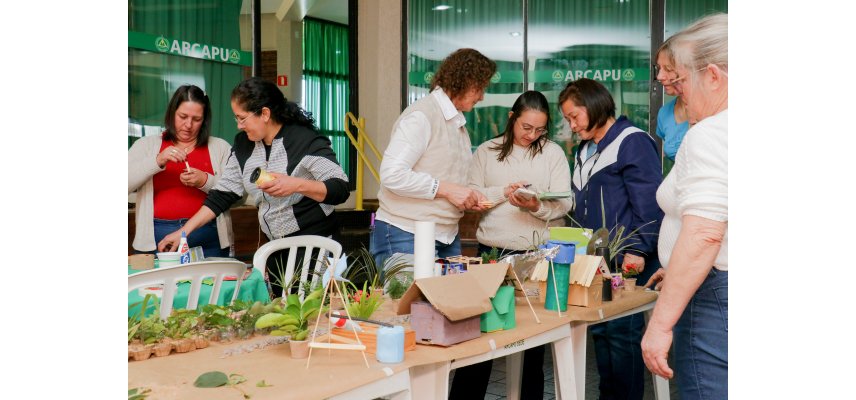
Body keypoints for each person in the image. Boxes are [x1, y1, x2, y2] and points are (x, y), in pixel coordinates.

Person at [159, 77, 350, 295]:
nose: (239, 125)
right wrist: (183, 233)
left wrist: (297, 184)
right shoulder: (243, 145)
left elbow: (340, 187)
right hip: (276, 247)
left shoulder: (305, 141)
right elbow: (222, 194)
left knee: (314, 315)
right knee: (283, 314)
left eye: (242, 118)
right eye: (236, 118)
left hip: (315, 246)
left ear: (265, 114)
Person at [455, 90, 573, 399]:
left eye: (540, 130)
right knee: (480, 338)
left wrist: (536, 206)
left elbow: (565, 202)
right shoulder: (486, 151)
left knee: (533, 342)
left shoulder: (552, 153)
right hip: (493, 254)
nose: (532, 135)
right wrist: (501, 193)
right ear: (512, 119)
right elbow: (470, 197)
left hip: (537, 257)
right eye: (526, 128)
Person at [641, 13, 728, 400]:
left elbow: (706, 232)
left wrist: (660, 326)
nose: (677, 91)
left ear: (713, 76)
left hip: (715, 296)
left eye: (682, 79)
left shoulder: (710, 132)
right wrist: (677, 270)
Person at [559, 78, 663, 400]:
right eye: (568, 120)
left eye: (574, 116)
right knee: (601, 333)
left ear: (593, 106)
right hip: (595, 261)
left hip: (626, 259)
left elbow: (649, 202)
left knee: (622, 335)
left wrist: (638, 249)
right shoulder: (584, 149)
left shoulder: (631, 142)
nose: (572, 126)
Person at [370, 48, 495, 269]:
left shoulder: (457, 124)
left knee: (448, 302)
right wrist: (448, 190)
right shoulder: (422, 116)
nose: (482, 96)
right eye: (480, 88)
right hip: (405, 232)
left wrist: (466, 196)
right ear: (465, 81)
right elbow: (392, 175)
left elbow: (446, 178)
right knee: (407, 303)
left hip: (447, 235)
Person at [128, 85, 234, 258]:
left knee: (211, 285)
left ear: (205, 119)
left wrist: (205, 181)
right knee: (155, 286)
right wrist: (157, 161)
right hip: (155, 237)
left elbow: (238, 194)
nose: (188, 125)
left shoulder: (220, 147)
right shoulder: (147, 146)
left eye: (196, 119)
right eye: (182, 116)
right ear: (172, 113)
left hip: (208, 237)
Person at [655, 36, 691, 162]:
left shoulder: (716, 110)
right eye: (659, 69)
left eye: (668, 69)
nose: (659, 77)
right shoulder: (664, 113)